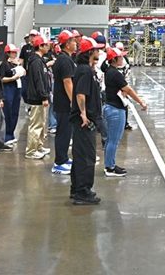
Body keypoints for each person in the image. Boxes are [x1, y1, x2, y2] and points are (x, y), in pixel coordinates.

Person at [103, 47, 147, 178]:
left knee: (111, 140)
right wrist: (141, 102)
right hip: (115, 110)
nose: (123, 58)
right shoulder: (115, 74)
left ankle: (110, 164)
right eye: (121, 56)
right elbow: (128, 90)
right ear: (114, 59)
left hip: (111, 107)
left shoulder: (109, 71)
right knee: (113, 140)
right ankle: (110, 168)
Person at [70, 37, 103, 204]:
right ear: (90, 52)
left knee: (80, 155)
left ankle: (77, 189)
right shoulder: (85, 71)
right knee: (86, 156)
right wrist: (83, 114)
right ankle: (83, 192)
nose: (99, 52)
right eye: (96, 50)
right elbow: (81, 94)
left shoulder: (85, 69)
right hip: (85, 121)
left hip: (84, 119)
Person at [52, 30, 78, 174]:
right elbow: (67, 81)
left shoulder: (65, 59)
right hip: (64, 103)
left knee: (66, 132)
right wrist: (73, 101)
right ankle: (59, 162)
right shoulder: (65, 60)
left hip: (63, 102)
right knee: (63, 132)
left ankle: (63, 157)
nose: (76, 43)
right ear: (67, 44)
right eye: (73, 41)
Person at [24, 35, 52, 160]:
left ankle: (38, 146)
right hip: (37, 98)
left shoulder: (39, 61)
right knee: (35, 125)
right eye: (46, 45)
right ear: (40, 46)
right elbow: (38, 80)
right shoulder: (36, 62)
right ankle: (31, 151)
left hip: (40, 97)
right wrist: (44, 96)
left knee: (41, 124)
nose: (48, 47)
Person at [1, 44, 24, 146]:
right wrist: (12, 78)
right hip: (8, 89)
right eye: (13, 52)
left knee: (15, 111)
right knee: (8, 112)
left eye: (15, 52)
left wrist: (19, 66)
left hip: (17, 88)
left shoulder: (16, 64)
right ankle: (6, 135)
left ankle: (11, 133)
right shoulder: (4, 65)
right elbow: (1, 78)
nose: (15, 54)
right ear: (8, 53)